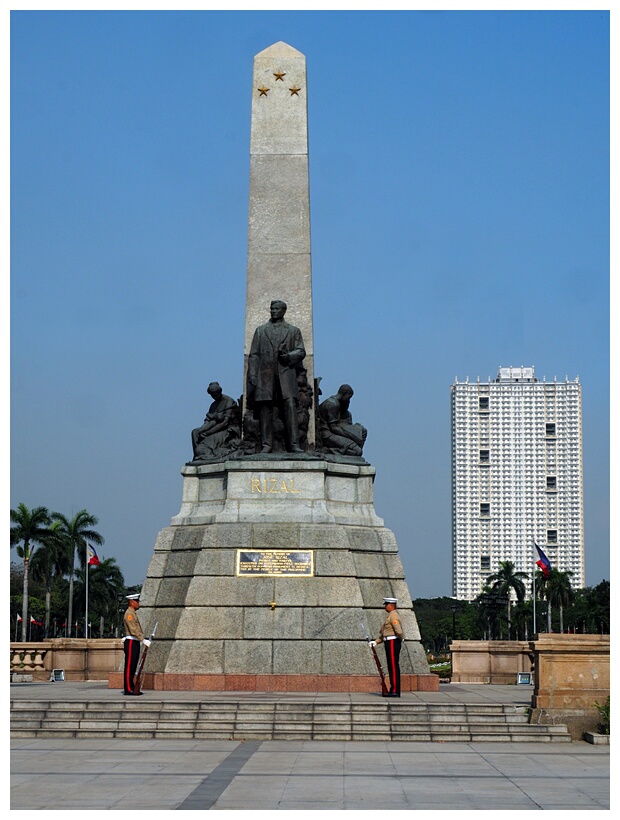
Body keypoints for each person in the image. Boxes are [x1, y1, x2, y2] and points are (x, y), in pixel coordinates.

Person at [246, 300, 306, 453]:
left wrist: (289, 356)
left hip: (286, 374)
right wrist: (252, 374)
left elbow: (301, 351)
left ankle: (294, 444)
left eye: (276, 309)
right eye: (272, 308)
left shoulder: (293, 330)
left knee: (290, 407)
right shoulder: (261, 331)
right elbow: (254, 355)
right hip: (265, 375)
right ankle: (266, 444)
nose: (273, 311)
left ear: (283, 311)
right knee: (265, 409)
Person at [190, 382, 240, 461]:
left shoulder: (228, 401)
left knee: (201, 447)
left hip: (227, 430)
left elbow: (225, 423)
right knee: (195, 432)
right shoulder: (213, 405)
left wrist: (207, 433)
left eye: (216, 394)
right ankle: (197, 457)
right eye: (212, 395)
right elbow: (207, 421)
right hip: (214, 427)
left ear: (220, 391)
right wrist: (201, 430)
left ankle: (203, 454)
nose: (214, 396)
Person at [317, 384, 367, 457]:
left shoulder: (336, 404)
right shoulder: (333, 404)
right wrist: (352, 436)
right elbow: (333, 428)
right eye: (349, 397)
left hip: (332, 432)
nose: (349, 400)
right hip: (327, 435)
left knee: (362, 431)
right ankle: (328, 451)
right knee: (357, 451)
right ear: (344, 394)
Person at [369, 597, 404, 697]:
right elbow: (385, 633)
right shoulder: (390, 616)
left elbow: (399, 631)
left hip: (393, 642)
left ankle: (395, 690)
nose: (385, 606)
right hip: (389, 641)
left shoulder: (393, 616)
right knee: (391, 666)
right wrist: (376, 642)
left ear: (391, 605)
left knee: (393, 666)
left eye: (386, 604)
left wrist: (400, 639)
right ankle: (393, 689)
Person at [122, 593, 151, 696]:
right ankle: (128, 688)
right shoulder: (129, 613)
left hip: (134, 641)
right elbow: (133, 629)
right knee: (129, 666)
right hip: (131, 641)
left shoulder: (133, 613)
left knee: (134, 666)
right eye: (136, 601)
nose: (138, 603)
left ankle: (132, 686)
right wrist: (143, 640)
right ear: (131, 602)